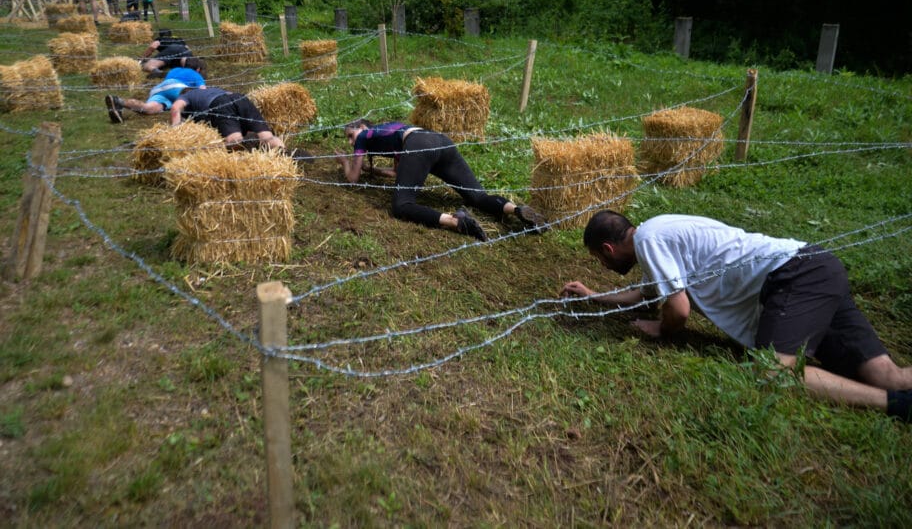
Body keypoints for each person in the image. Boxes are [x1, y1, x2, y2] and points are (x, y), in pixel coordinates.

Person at [560, 210, 912, 422]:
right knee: (889, 374)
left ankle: (897, 406)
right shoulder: (657, 230)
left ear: (607, 249)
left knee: (773, 372)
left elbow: (678, 311)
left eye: (598, 260)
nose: (602, 266)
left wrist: (662, 329)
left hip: (792, 277)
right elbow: (647, 293)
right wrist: (594, 296)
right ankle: (897, 392)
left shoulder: (650, 241)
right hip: (817, 266)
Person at [335, 120, 547, 241]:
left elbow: (353, 179)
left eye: (350, 135)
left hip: (419, 145)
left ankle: (457, 221)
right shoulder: (389, 131)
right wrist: (369, 168)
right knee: (478, 196)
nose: (351, 140)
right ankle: (516, 210)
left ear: (362, 127)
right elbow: (395, 173)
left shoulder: (365, 136)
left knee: (401, 205)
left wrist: (345, 162)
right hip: (439, 141)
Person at [170, 85, 287, 152]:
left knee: (234, 140)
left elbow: (175, 108)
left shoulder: (186, 95)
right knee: (267, 136)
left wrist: (176, 130)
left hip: (220, 103)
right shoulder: (210, 89)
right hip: (240, 98)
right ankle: (285, 154)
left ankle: (246, 150)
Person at [105, 57, 206, 123]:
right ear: (198, 69)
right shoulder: (196, 74)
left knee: (149, 108)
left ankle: (120, 102)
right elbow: (203, 90)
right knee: (192, 98)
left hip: (159, 89)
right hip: (177, 87)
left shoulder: (175, 70)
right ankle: (183, 120)